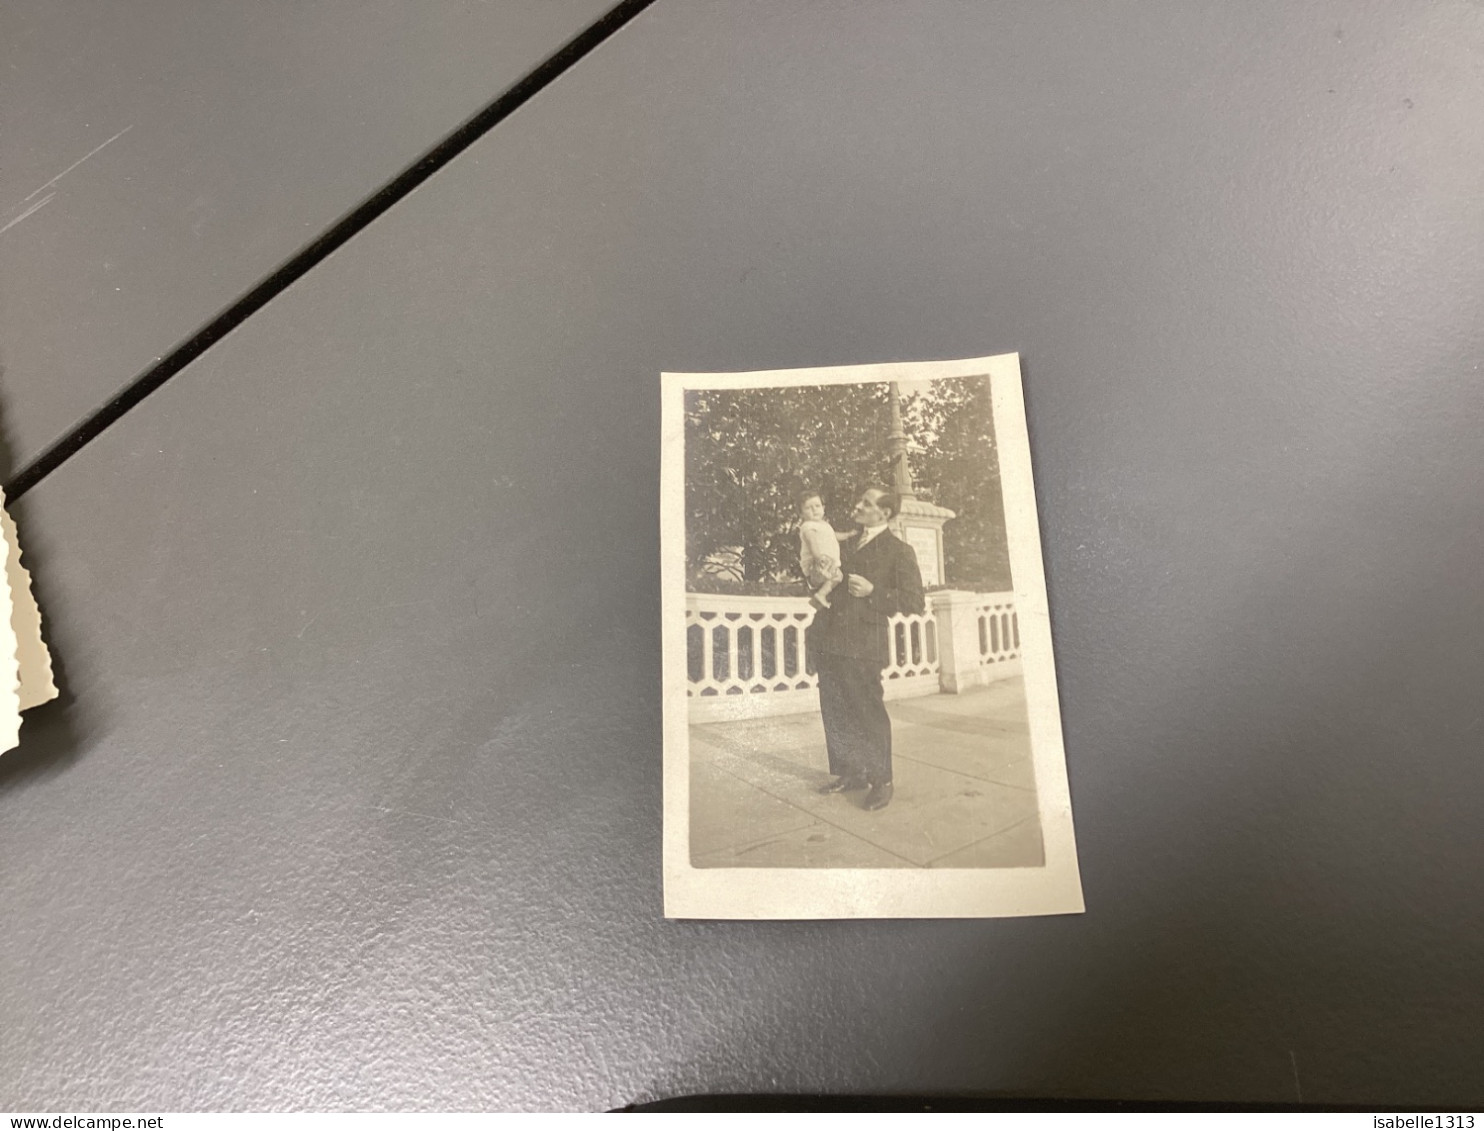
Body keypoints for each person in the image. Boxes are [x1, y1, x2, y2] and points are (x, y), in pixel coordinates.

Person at [808, 486, 926, 811]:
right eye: (860, 500)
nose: (857, 506)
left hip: (863, 645)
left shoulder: (898, 550)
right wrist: (817, 577)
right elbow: (823, 581)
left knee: (867, 712)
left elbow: (916, 602)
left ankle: (881, 780)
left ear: (884, 513)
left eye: (867, 504)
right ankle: (851, 772)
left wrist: (875, 592)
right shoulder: (843, 545)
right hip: (831, 639)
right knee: (836, 709)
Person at [796, 491, 844, 610]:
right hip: (816, 562)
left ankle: (821, 595)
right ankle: (820, 595)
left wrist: (848, 535)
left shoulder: (824, 525)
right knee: (837, 576)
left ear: (823, 508)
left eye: (817, 506)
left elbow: (834, 535)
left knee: (837, 576)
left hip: (826, 563)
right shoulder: (808, 526)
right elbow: (812, 542)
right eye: (808, 508)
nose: (814, 510)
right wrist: (819, 557)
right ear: (801, 513)